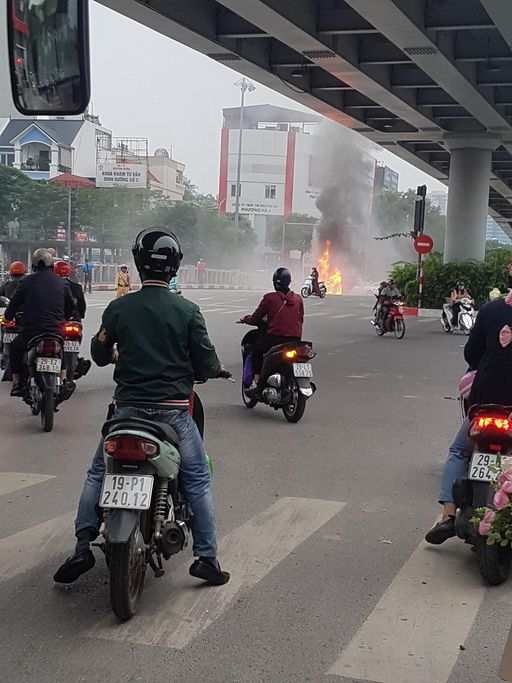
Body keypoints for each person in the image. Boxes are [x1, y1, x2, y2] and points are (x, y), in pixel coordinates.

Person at [53, 228, 230, 586]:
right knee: (197, 479)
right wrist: (214, 370)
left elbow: (100, 355)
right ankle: (206, 557)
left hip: (128, 412)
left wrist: (116, 350)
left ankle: (82, 546)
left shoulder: (120, 308)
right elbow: (208, 364)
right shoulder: (187, 311)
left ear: (137, 265)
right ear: (175, 267)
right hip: (174, 415)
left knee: (97, 473)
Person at [425, 293, 512, 544]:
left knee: (460, 452)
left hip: (485, 402)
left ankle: (448, 516)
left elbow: (472, 354)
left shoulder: (490, 310)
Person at [5, 249, 76, 397]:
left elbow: (13, 305)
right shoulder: (62, 283)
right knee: (60, 347)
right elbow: (71, 308)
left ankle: (17, 382)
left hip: (32, 331)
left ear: (34, 266)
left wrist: (8, 316)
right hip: (56, 330)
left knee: (15, 348)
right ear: (51, 265)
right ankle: (63, 379)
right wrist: (64, 319)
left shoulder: (25, 282)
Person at [241, 267, 304, 395]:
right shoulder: (298, 299)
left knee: (257, 349)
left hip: (275, 339)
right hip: (295, 340)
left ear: (275, 282)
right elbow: (300, 319)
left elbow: (256, 318)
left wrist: (246, 319)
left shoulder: (269, 298)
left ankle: (257, 379)